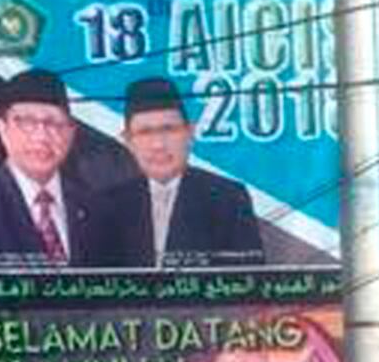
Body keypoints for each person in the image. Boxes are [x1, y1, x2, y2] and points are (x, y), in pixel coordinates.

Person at [0, 70, 139, 268]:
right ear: (2, 129)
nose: (42, 136)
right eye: (27, 122)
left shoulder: (99, 211)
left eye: (53, 123)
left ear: (71, 133)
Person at [118, 76, 300, 266]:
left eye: (169, 129)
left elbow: (248, 280)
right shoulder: (106, 204)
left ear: (190, 133)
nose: (158, 145)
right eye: (145, 132)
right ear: (128, 141)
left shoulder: (228, 199)